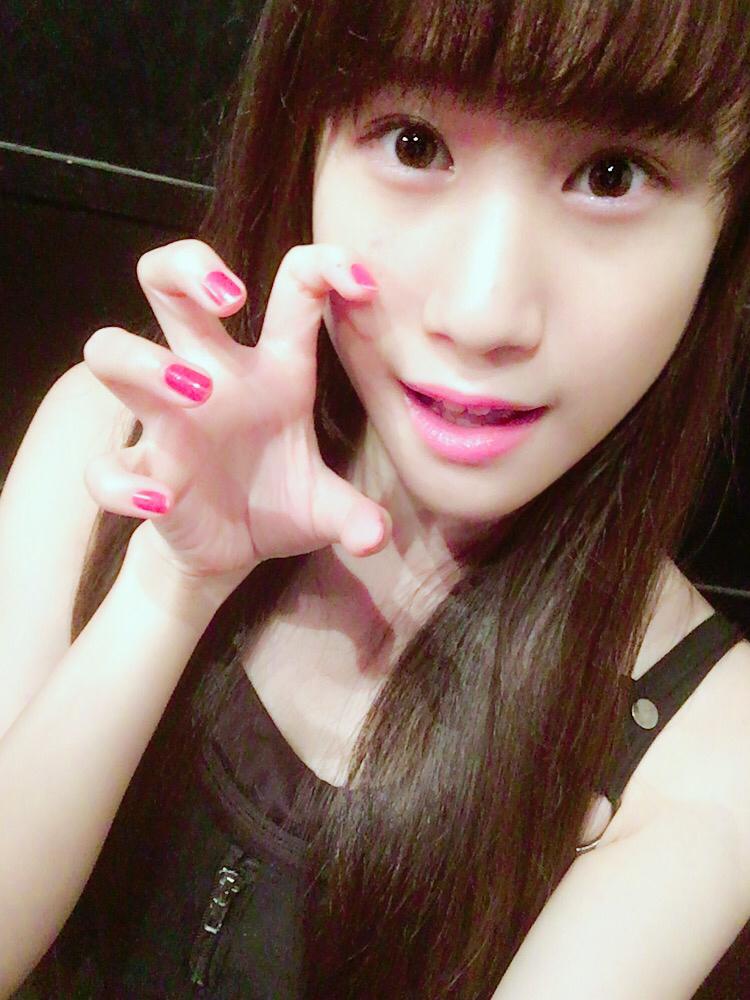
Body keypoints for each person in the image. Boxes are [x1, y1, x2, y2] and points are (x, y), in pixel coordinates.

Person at [2, 0, 750, 996]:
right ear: (306, 145)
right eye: (414, 143)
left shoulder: (716, 744)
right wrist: (165, 589)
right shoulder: (105, 438)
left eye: (611, 175)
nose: (482, 313)